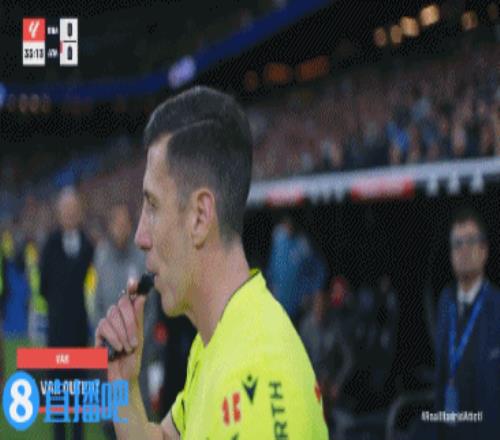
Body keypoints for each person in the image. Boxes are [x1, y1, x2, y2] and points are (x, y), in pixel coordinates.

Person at [95, 86, 328, 439]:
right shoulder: (219, 337)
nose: (140, 236)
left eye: (153, 206)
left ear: (200, 217)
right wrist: (125, 389)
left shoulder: (255, 378)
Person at [434, 207, 500, 440]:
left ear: (484, 250)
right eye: (457, 243)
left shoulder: (496, 307)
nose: (463, 250)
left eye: (470, 241)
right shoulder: (445, 303)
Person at [92, 203, 157, 437]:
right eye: (116, 223)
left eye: (124, 223)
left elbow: (151, 307)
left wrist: (136, 341)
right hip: (110, 351)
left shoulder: (142, 259)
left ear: (130, 226)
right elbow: (96, 303)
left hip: (137, 351)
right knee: (111, 421)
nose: (120, 228)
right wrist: (106, 338)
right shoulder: (101, 257)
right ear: (110, 226)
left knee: (138, 415)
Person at [40, 187, 94, 440]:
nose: (70, 214)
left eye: (74, 209)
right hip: (57, 336)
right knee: (58, 397)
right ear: (59, 213)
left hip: (80, 335)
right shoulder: (50, 245)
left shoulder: (88, 246)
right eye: (66, 210)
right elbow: (43, 286)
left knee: (79, 396)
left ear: (80, 212)